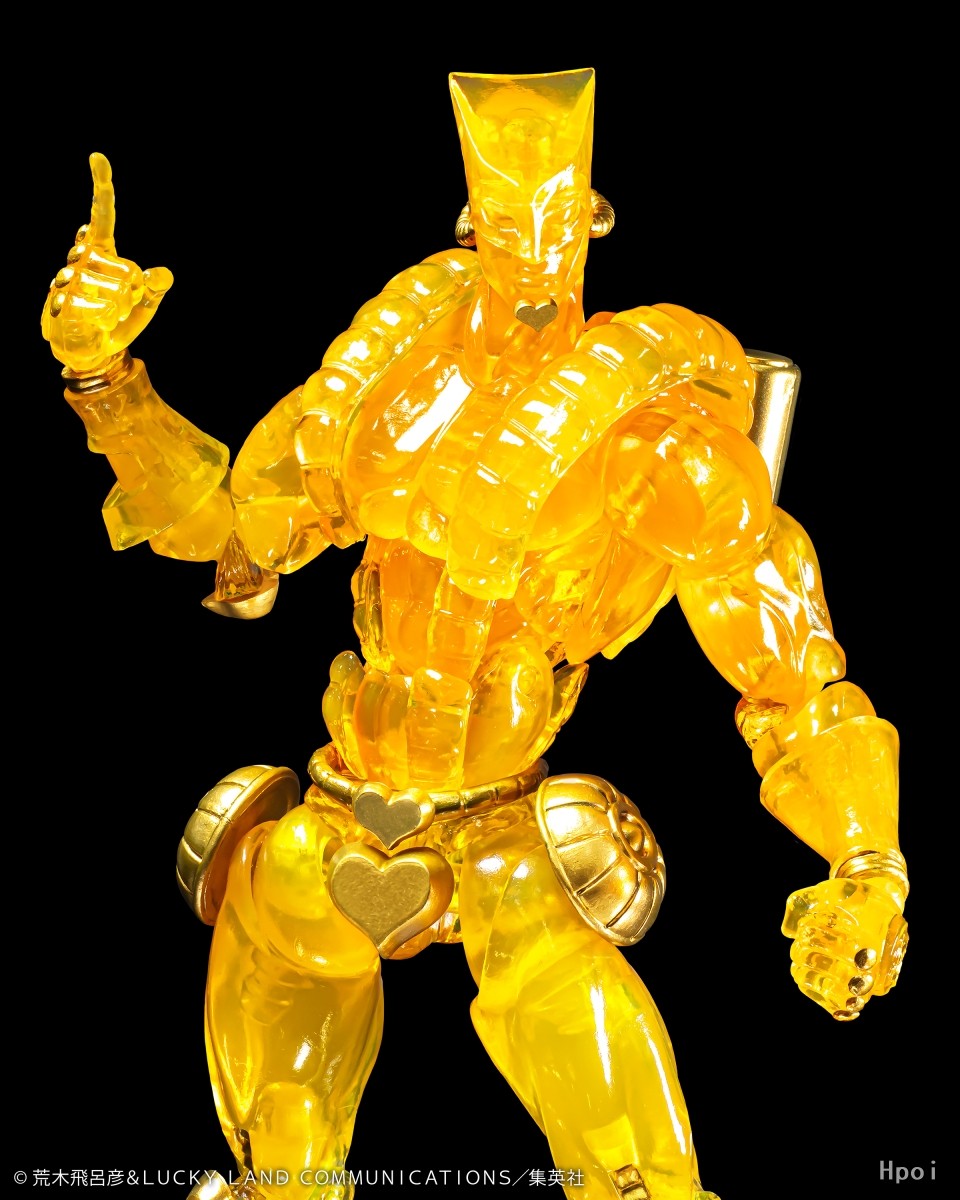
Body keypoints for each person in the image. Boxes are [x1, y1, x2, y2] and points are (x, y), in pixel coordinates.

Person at [40, 69, 908, 1200]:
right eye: (504, 206)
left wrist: (864, 862)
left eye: (553, 208)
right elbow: (220, 528)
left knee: (627, 1156)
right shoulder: (385, 393)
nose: (528, 236)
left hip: (506, 835)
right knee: (277, 1070)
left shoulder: (656, 441)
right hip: (338, 811)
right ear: (470, 217)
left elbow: (789, 670)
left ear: (591, 221)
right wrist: (104, 377)